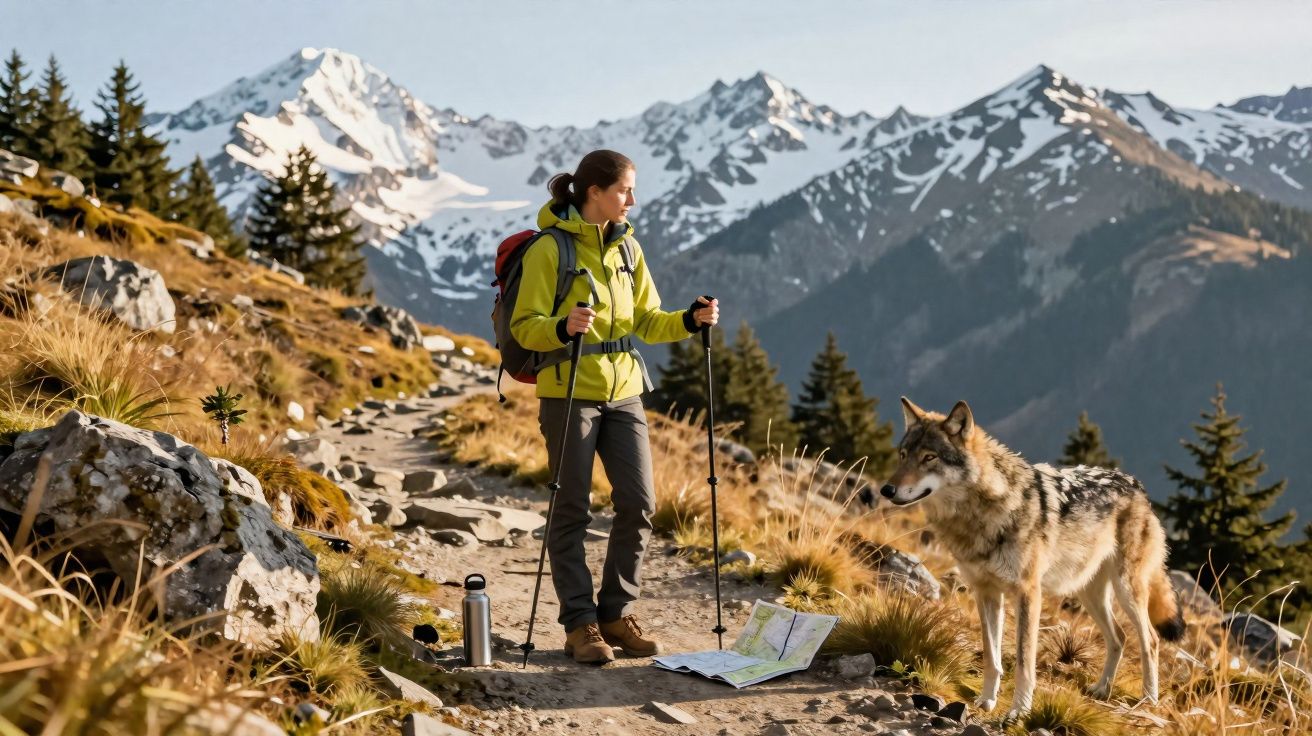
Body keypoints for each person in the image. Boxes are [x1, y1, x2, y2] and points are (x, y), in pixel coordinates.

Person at [510, 149, 719, 664]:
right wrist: (561, 327)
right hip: (568, 390)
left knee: (640, 503)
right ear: (595, 192)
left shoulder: (628, 249)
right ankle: (581, 625)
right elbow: (524, 325)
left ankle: (614, 614)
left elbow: (647, 321)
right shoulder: (549, 250)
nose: (633, 199)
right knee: (572, 508)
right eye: (625, 189)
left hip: (625, 390)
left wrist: (689, 321)